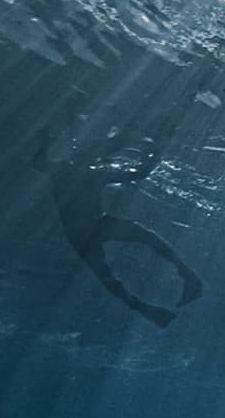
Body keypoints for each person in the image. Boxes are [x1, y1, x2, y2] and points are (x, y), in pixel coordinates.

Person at [33, 129, 202, 327]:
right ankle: (181, 281)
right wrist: (155, 149)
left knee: (112, 270)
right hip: (95, 226)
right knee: (139, 244)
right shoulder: (88, 173)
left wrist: (44, 141)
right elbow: (142, 172)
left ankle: (176, 285)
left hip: (84, 230)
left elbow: (38, 162)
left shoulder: (71, 171)